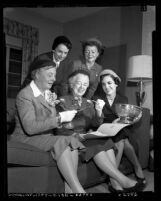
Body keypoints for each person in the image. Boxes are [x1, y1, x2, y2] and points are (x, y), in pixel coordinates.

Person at [55, 69, 144, 193]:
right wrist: (77, 134)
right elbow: (58, 127)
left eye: (85, 84)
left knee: (106, 141)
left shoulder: (88, 102)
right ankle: (121, 179)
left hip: (84, 136)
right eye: (79, 83)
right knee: (96, 144)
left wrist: (98, 112)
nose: (82, 87)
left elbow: (95, 123)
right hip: (70, 136)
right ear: (71, 84)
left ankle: (115, 182)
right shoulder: (61, 101)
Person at [10, 58, 87, 193]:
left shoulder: (48, 94)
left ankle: (70, 190)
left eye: (54, 75)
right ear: (37, 74)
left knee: (71, 141)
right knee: (63, 141)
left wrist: (56, 112)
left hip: (44, 137)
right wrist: (60, 118)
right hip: (25, 138)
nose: (53, 79)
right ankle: (78, 191)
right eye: (50, 74)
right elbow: (30, 128)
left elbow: (49, 124)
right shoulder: (25, 95)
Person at [93, 69, 147, 189]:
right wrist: (103, 115)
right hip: (104, 129)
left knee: (122, 138)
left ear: (116, 83)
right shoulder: (97, 98)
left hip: (119, 130)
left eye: (109, 83)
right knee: (123, 140)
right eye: (103, 84)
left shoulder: (123, 99)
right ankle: (133, 169)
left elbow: (125, 119)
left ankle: (114, 177)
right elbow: (97, 122)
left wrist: (128, 120)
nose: (106, 87)